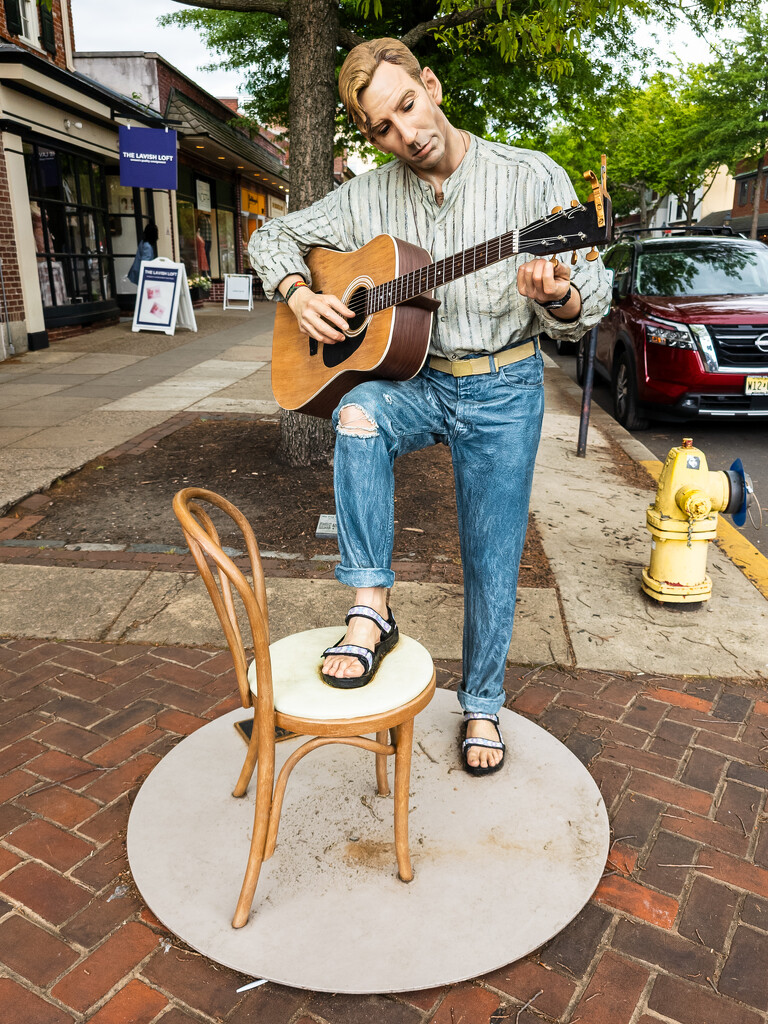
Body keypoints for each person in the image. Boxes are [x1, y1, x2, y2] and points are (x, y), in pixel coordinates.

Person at [248, 38, 610, 775]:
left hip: (504, 386)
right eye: (382, 127)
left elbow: (591, 296)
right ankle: (371, 609)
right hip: (418, 378)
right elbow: (272, 235)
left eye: (408, 107)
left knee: (492, 554)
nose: (405, 135)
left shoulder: (530, 177)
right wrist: (300, 293)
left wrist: (560, 295)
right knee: (358, 417)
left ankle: (481, 704)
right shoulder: (370, 195)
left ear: (432, 86)